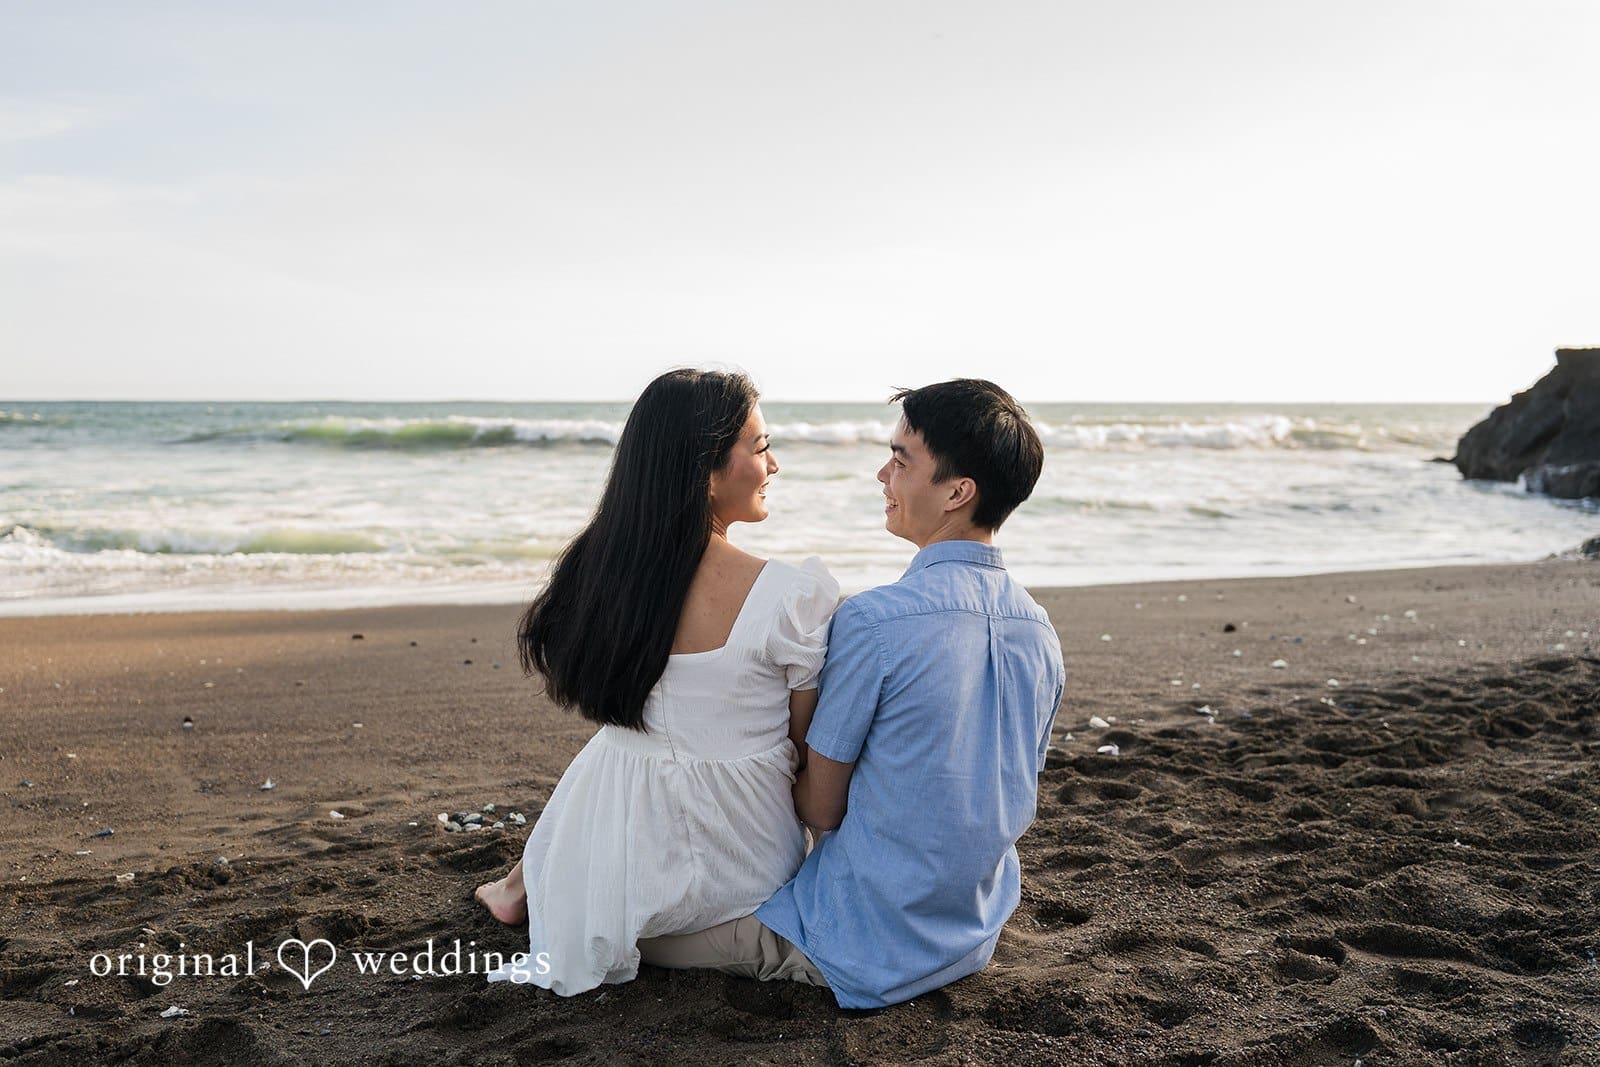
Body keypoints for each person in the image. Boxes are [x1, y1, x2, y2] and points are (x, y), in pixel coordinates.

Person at [635, 378, 1066, 1009]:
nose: (881, 474)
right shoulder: (1038, 628)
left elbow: (821, 810)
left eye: (900, 459)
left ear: (956, 492)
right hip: (970, 930)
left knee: (619, 930)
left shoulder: (874, 622)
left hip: (857, 940)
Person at [478, 368, 839, 995]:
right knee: (681, 732)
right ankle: (521, 884)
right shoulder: (790, 597)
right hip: (739, 881)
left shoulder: (598, 575)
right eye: (759, 448)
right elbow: (804, 756)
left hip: (611, 884)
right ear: (705, 469)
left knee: (633, 735)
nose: (773, 463)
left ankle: (523, 884)